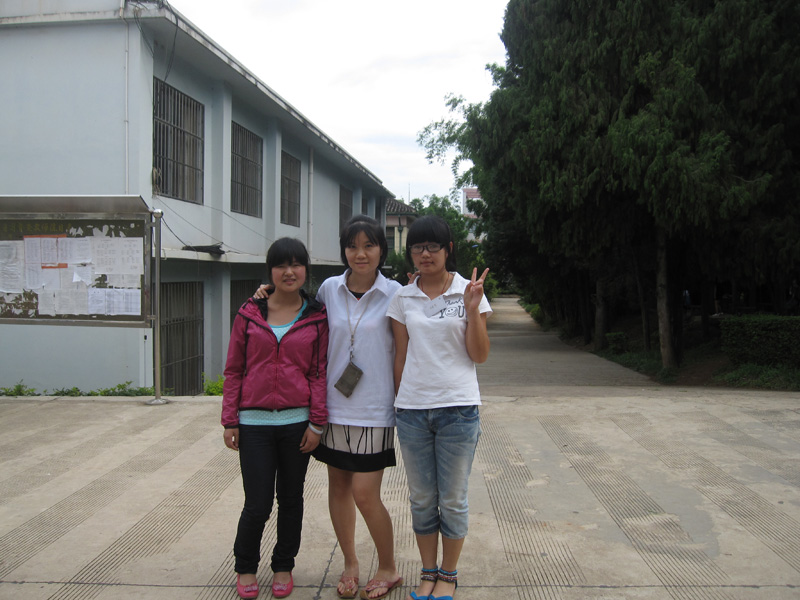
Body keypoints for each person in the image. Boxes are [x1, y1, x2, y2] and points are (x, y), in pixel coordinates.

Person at [254, 215, 403, 600]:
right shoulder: (328, 290)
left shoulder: (396, 294)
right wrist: (263, 296)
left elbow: (407, 349)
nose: (360, 253)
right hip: (333, 408)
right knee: (338, 487)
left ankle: (388, 566)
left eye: (369, 245)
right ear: (343, 251)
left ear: (381, 250)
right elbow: (294, 312)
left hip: (375, 409)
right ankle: (350, 563)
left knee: (365, 494)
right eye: (352, 246)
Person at [386, 215, 491, 600]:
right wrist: (399, 404)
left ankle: (449, 573)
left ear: (448, 250)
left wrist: (473, 310)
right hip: (413, 412)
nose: (425, 254)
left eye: (433, 246)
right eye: (417, 247)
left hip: (458, 411)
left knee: (452, 498)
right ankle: (428, 571)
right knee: (422, 498)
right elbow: (400, 356)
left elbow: (479, 355)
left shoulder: (468, 290)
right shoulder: (403, 297)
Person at [222, 237, 328, 600]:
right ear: (270, 271)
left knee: (291, 499)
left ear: (305, 270)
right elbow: (234, 369)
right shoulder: (249, 313)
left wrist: (317, 423)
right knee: (257, 504)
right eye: (281, 265)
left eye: (296, 264)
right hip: (254, 425)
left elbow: (318, 373)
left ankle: (283, 565)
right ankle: (245, 567)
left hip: (297, 425)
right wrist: (230, 419)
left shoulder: (316, 317)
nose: (289, 271)